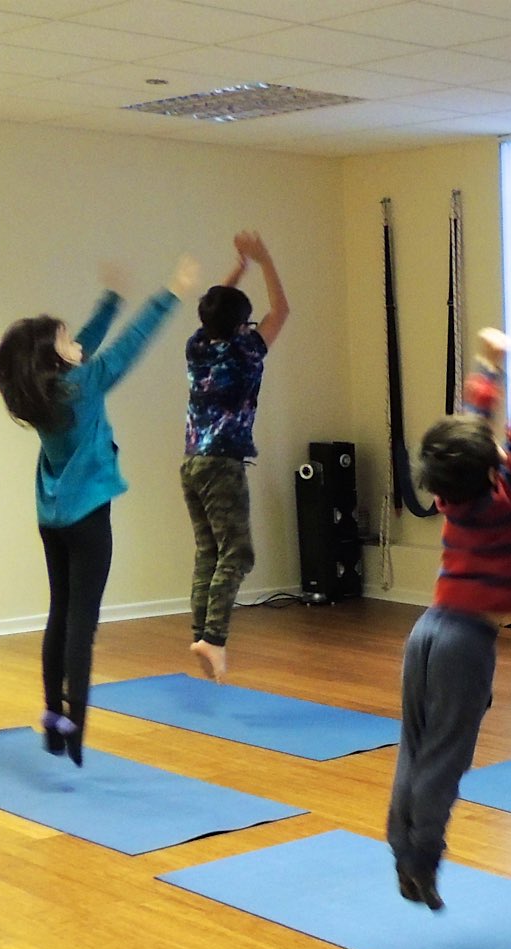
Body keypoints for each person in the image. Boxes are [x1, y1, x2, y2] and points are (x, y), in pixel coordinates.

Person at [0, 256, 201, 766]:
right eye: (65, 339)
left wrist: (109, 301)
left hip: (52, 518)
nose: (75, 343)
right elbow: (129, 347)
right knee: (83, 621)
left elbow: (83, 345)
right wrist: (171, 291)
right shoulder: (82, 385)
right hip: (88, 519)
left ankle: (51, 715)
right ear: (57, 356)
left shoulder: (41, 391)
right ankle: (76, 725)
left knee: (60, 612)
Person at [387, 338, 511, 911]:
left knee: (415, 745)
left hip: (426, 629)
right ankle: (420, 856)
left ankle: (401, 840)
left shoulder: (453, 494)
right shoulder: (508, 493)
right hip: (465, 643)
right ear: (489, 464)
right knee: (446, 757)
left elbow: (472, 428)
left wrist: (489, 368)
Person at [182, 230, 289, 682]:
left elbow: (215, 312)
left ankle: (201, 633)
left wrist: (238, 268)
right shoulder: (245, 351)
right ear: (241, 324)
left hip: (191, 464)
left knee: (209, 551)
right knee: (238, 554)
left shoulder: (198, 346)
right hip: (223, 464)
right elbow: (281, 311)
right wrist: (263, 260)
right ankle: (213, 638)